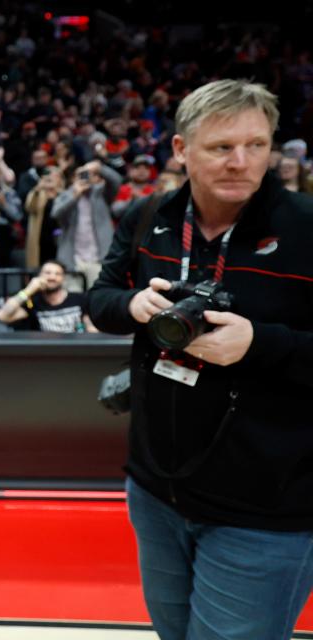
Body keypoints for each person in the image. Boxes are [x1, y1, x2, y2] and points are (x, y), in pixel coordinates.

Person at [88, 79, 313, 640]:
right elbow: (99, 300)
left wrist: (260, 342)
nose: (243, 162)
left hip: (264, 510)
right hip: (156, 490)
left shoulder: (306, 228)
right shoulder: (147, 217)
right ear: (182, 150)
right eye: (221, 148)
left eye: (258, 145)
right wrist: (134, 304)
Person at [51, 159, 123, 291]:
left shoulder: (101, 194)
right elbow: (56, 214)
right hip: (73, 259)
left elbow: (117, 181)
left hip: (98, 258)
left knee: (97, 299)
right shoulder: (65, 195)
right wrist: (74, 195)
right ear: (73, 178)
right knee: (74, 300)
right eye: (80, 175)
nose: (84, 178)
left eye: (87, 174)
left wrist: (100, 168)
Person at [0, 260, 96, 332]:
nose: (52, 277)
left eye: (57, 274)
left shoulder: (78, 299)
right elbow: (2, 316)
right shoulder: (32, 303)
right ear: (39, 276)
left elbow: (91, 328)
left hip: (75, 352)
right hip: (45, 353)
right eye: (47, 273)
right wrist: (28, 290)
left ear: (63, 278)